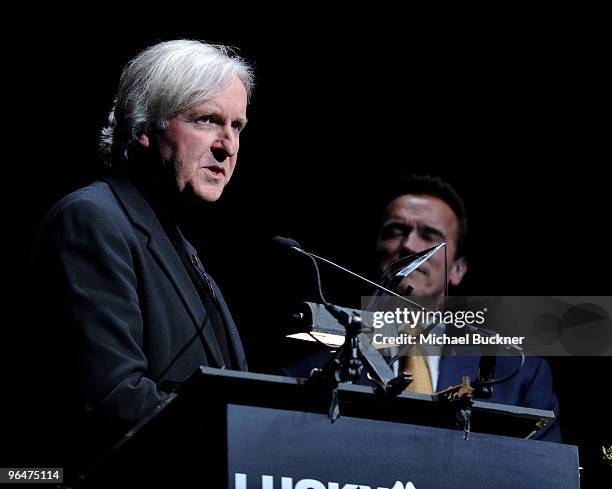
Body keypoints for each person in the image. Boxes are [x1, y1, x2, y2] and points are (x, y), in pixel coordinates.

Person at [26, 40, 253, 475]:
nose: (228, 146)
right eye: (207, 120)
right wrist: (246, 435)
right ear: (145, 127)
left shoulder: (177, 241)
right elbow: (114, 400)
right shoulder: (92, 221)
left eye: (238, 126)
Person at [283, 175, 561, 442]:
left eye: (429, 236)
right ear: (375, 249)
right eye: (395, 232)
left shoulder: (518, 375)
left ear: (457, 269)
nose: (408, 245)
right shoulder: (306, 375)